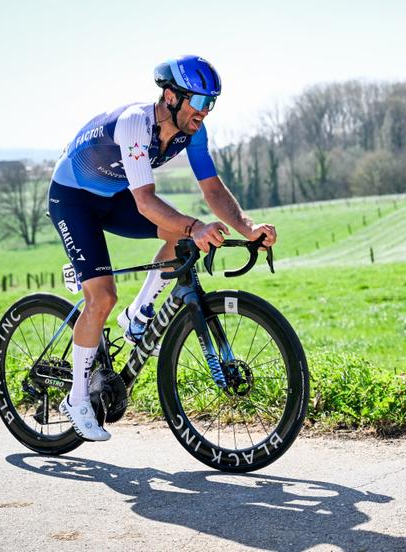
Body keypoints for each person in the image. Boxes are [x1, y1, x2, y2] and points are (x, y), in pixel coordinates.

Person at [47, 55, 277, 441]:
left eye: (211, 103)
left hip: (113, 195)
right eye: (199, 102)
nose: (205, 112)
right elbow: (145, 202)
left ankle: (138, 315)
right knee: (101, 297)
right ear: (170, 96)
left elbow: (213, 190)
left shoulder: (192, 131)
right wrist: (196, 225)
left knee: (181, 236)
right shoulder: (136, 124)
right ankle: (76, 399)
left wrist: (248, 227)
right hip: (73, 199)